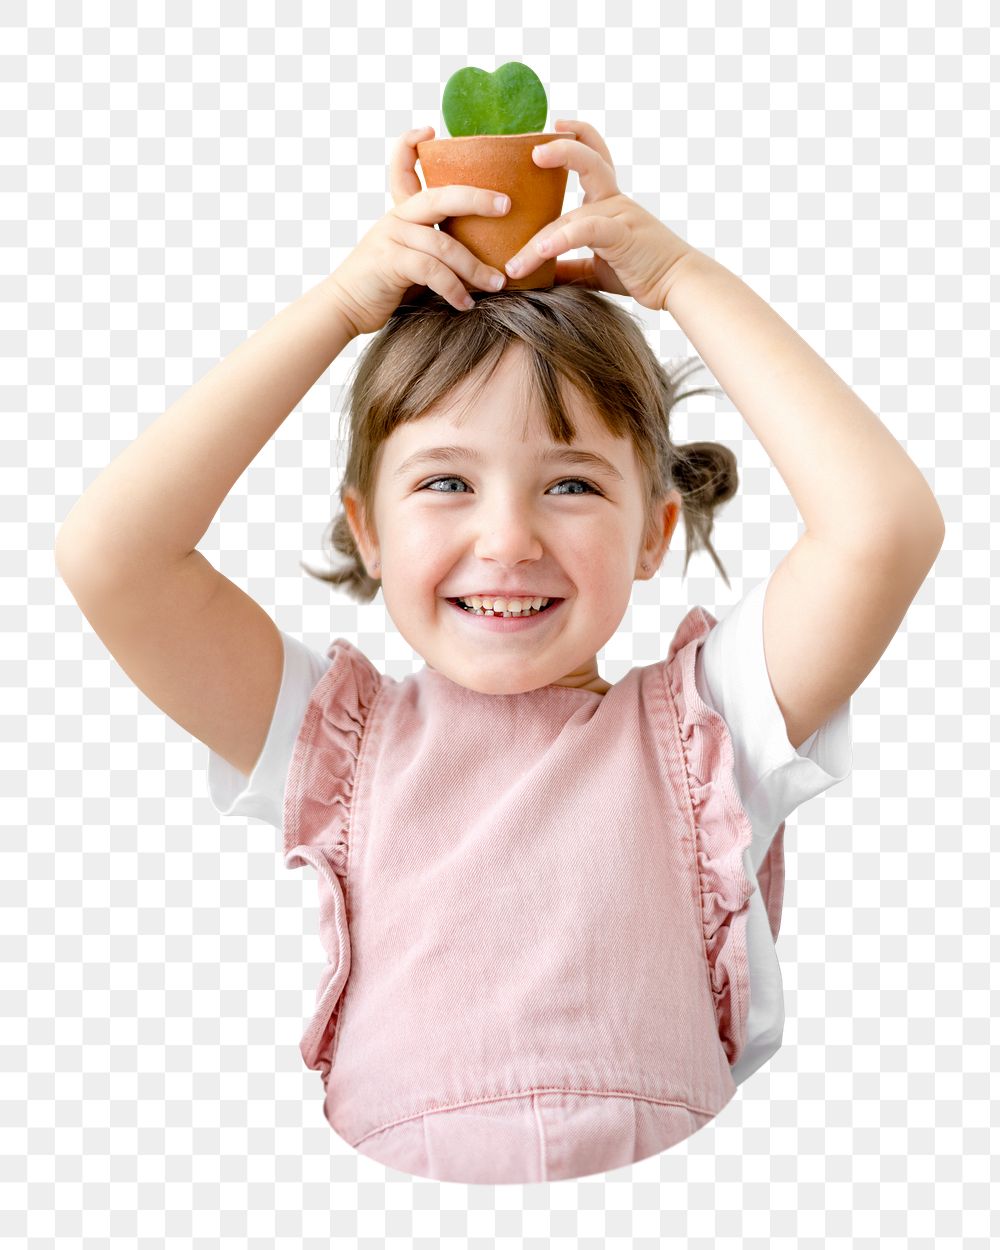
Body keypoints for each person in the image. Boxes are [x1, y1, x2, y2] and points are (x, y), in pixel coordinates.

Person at [54, 119, 946, 1184]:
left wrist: (679, 277)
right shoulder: (339, 745)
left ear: (654, 529)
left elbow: (882, 525)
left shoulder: (705, 732)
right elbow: (113, 554)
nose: (509, 538)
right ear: (367, 530)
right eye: (444, 481)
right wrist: (338, 308)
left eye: (571, 482)